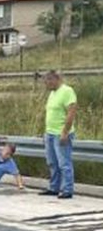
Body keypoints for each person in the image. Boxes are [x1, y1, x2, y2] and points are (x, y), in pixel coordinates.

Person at [41, 70, 77, 199]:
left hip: (60, 133)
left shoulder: (67, 91)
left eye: (48, 81)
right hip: (50, 132)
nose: (46, 84)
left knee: (64, 163)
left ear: (55, 79)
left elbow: (71, 112)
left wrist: (65, 132)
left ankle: (67, 189)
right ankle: (54, 187)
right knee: (52, 162)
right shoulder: (52, 93)